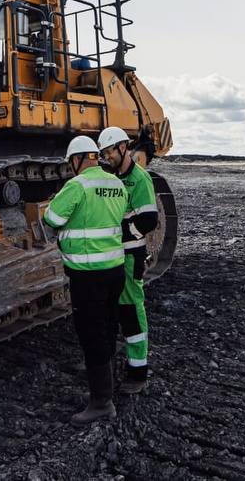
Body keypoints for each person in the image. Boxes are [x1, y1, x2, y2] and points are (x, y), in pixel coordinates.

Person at [42, 135, 128, 423]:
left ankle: (102, 402)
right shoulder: (116, 183)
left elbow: (52, 219)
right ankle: (108, 384)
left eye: (71, 162)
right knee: (108, 327)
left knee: (92, 335)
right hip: (115, 269)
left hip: (88, 274)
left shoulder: (77, 185)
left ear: (77, 160)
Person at [97, 126, 159, 394]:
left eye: (109, 151)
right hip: (112, 257)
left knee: (131, 312)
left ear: (123, 148)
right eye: (103, 153)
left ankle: (138, 372)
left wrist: (122, 232)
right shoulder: (111, 177)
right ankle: (109, 365)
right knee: (110, 312)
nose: (106, 157)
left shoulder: (139, 178)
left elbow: (149, 220)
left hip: (131, 256)